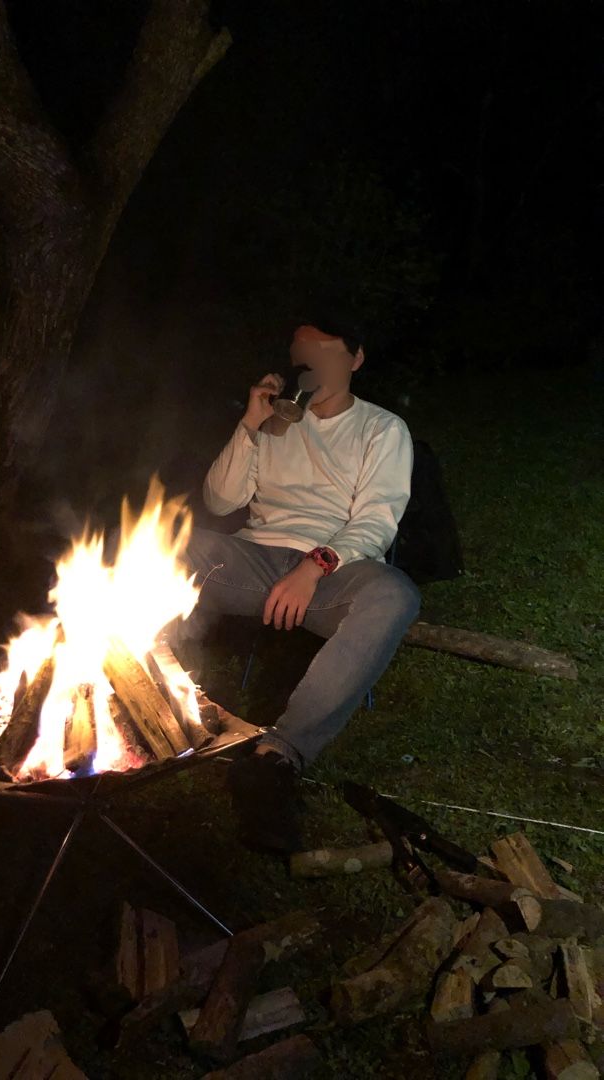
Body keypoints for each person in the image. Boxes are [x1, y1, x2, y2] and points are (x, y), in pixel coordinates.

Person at [180, 319, 421, 853]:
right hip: (254, 561)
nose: (312, 363)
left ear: (355, 359)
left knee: (394, 595)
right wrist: (250, 423)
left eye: (326, 351)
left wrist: (314, 566)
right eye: (302, 353)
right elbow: (219, 502)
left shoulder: (382, 429)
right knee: (164, 542)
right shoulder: (274, 424)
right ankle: (138, 697)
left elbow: (376, 521)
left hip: (332, 571)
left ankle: (278, 755)